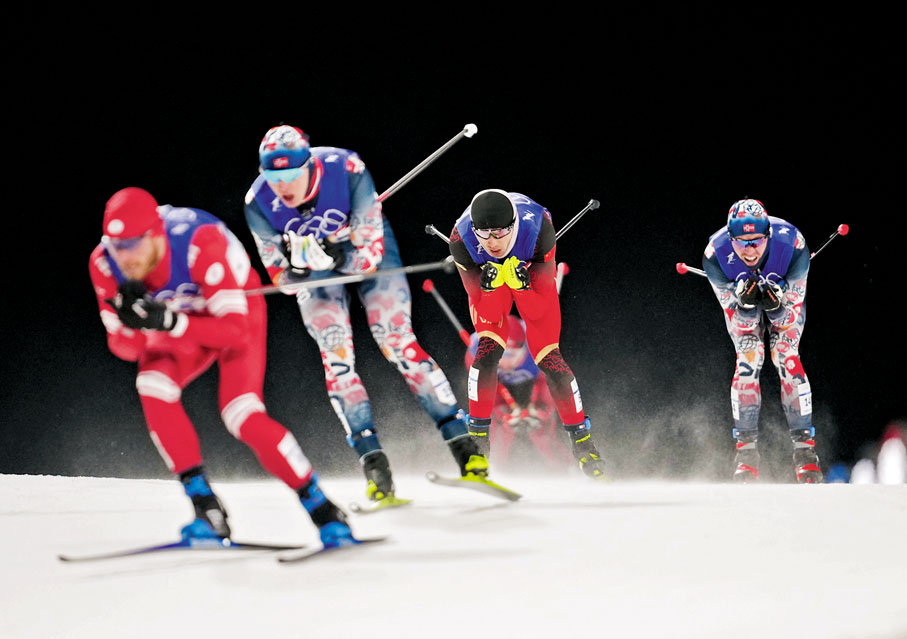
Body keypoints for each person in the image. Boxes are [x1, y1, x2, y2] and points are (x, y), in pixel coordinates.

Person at [88, 187, 355, 547]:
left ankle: (323, 509)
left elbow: (233, 332)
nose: (124, 257)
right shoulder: (104, 264)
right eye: (116, 246)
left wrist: (168, 322)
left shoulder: (200, 243)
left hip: (234, 316)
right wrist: (130, 324)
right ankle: (206, 508)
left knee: (241, 413)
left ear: (156, 235)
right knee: (152, 384)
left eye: (133, 245)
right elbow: (128, 350)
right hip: (182, 322)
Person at [243, 125, 484, 504]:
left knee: (397, 341)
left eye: (290, 175)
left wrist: (338, 256)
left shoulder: (347, 170)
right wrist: (298, 266)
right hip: (315, 270)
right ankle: (374, 468)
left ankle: (465, 449)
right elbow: (280, 279)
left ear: (309, 166)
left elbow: (370, 255)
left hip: (362, 251)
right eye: (273, 178)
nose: (282, 187)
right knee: (336, 356)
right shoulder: (257, 202)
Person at [449, 189, 606, 479]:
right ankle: (478, 446)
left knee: (550, 358)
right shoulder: (461, 240)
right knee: (486, 352)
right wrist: (488, 288)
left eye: (499, 233)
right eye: (484, 234)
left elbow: (537, 312)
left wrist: (522, 287)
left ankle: (584, 445)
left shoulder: (538, 230)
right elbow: (486, 312)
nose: (492, 242)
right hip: (490, 278)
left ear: (512, 227)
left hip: (531, 268)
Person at [702, 198, 823, 483]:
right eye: (741, 243)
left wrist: (777, 307)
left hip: (785, 303)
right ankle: (746, 456)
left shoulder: (793, 245)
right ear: (730, 239)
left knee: (785, 353)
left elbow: (789, 319)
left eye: (756, 241)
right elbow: (739, 322)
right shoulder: (714, 255)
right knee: (748, 358)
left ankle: (806, 455)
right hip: (743, 307)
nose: (750, 250)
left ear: (768, 235)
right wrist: (745, 306)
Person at [464, 315, 573, 472]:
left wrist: (537, 409)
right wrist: (504, 414)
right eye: (500, 355)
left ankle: (567, 469)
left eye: (511, 355)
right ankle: (491, 469)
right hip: (497, 385)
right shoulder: (476, 353)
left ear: (523, 350)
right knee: (497, 423)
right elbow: (486, 393)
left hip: (535, 381)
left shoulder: (540, 347)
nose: (505, 362)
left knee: (540, 425)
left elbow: (549, 384)